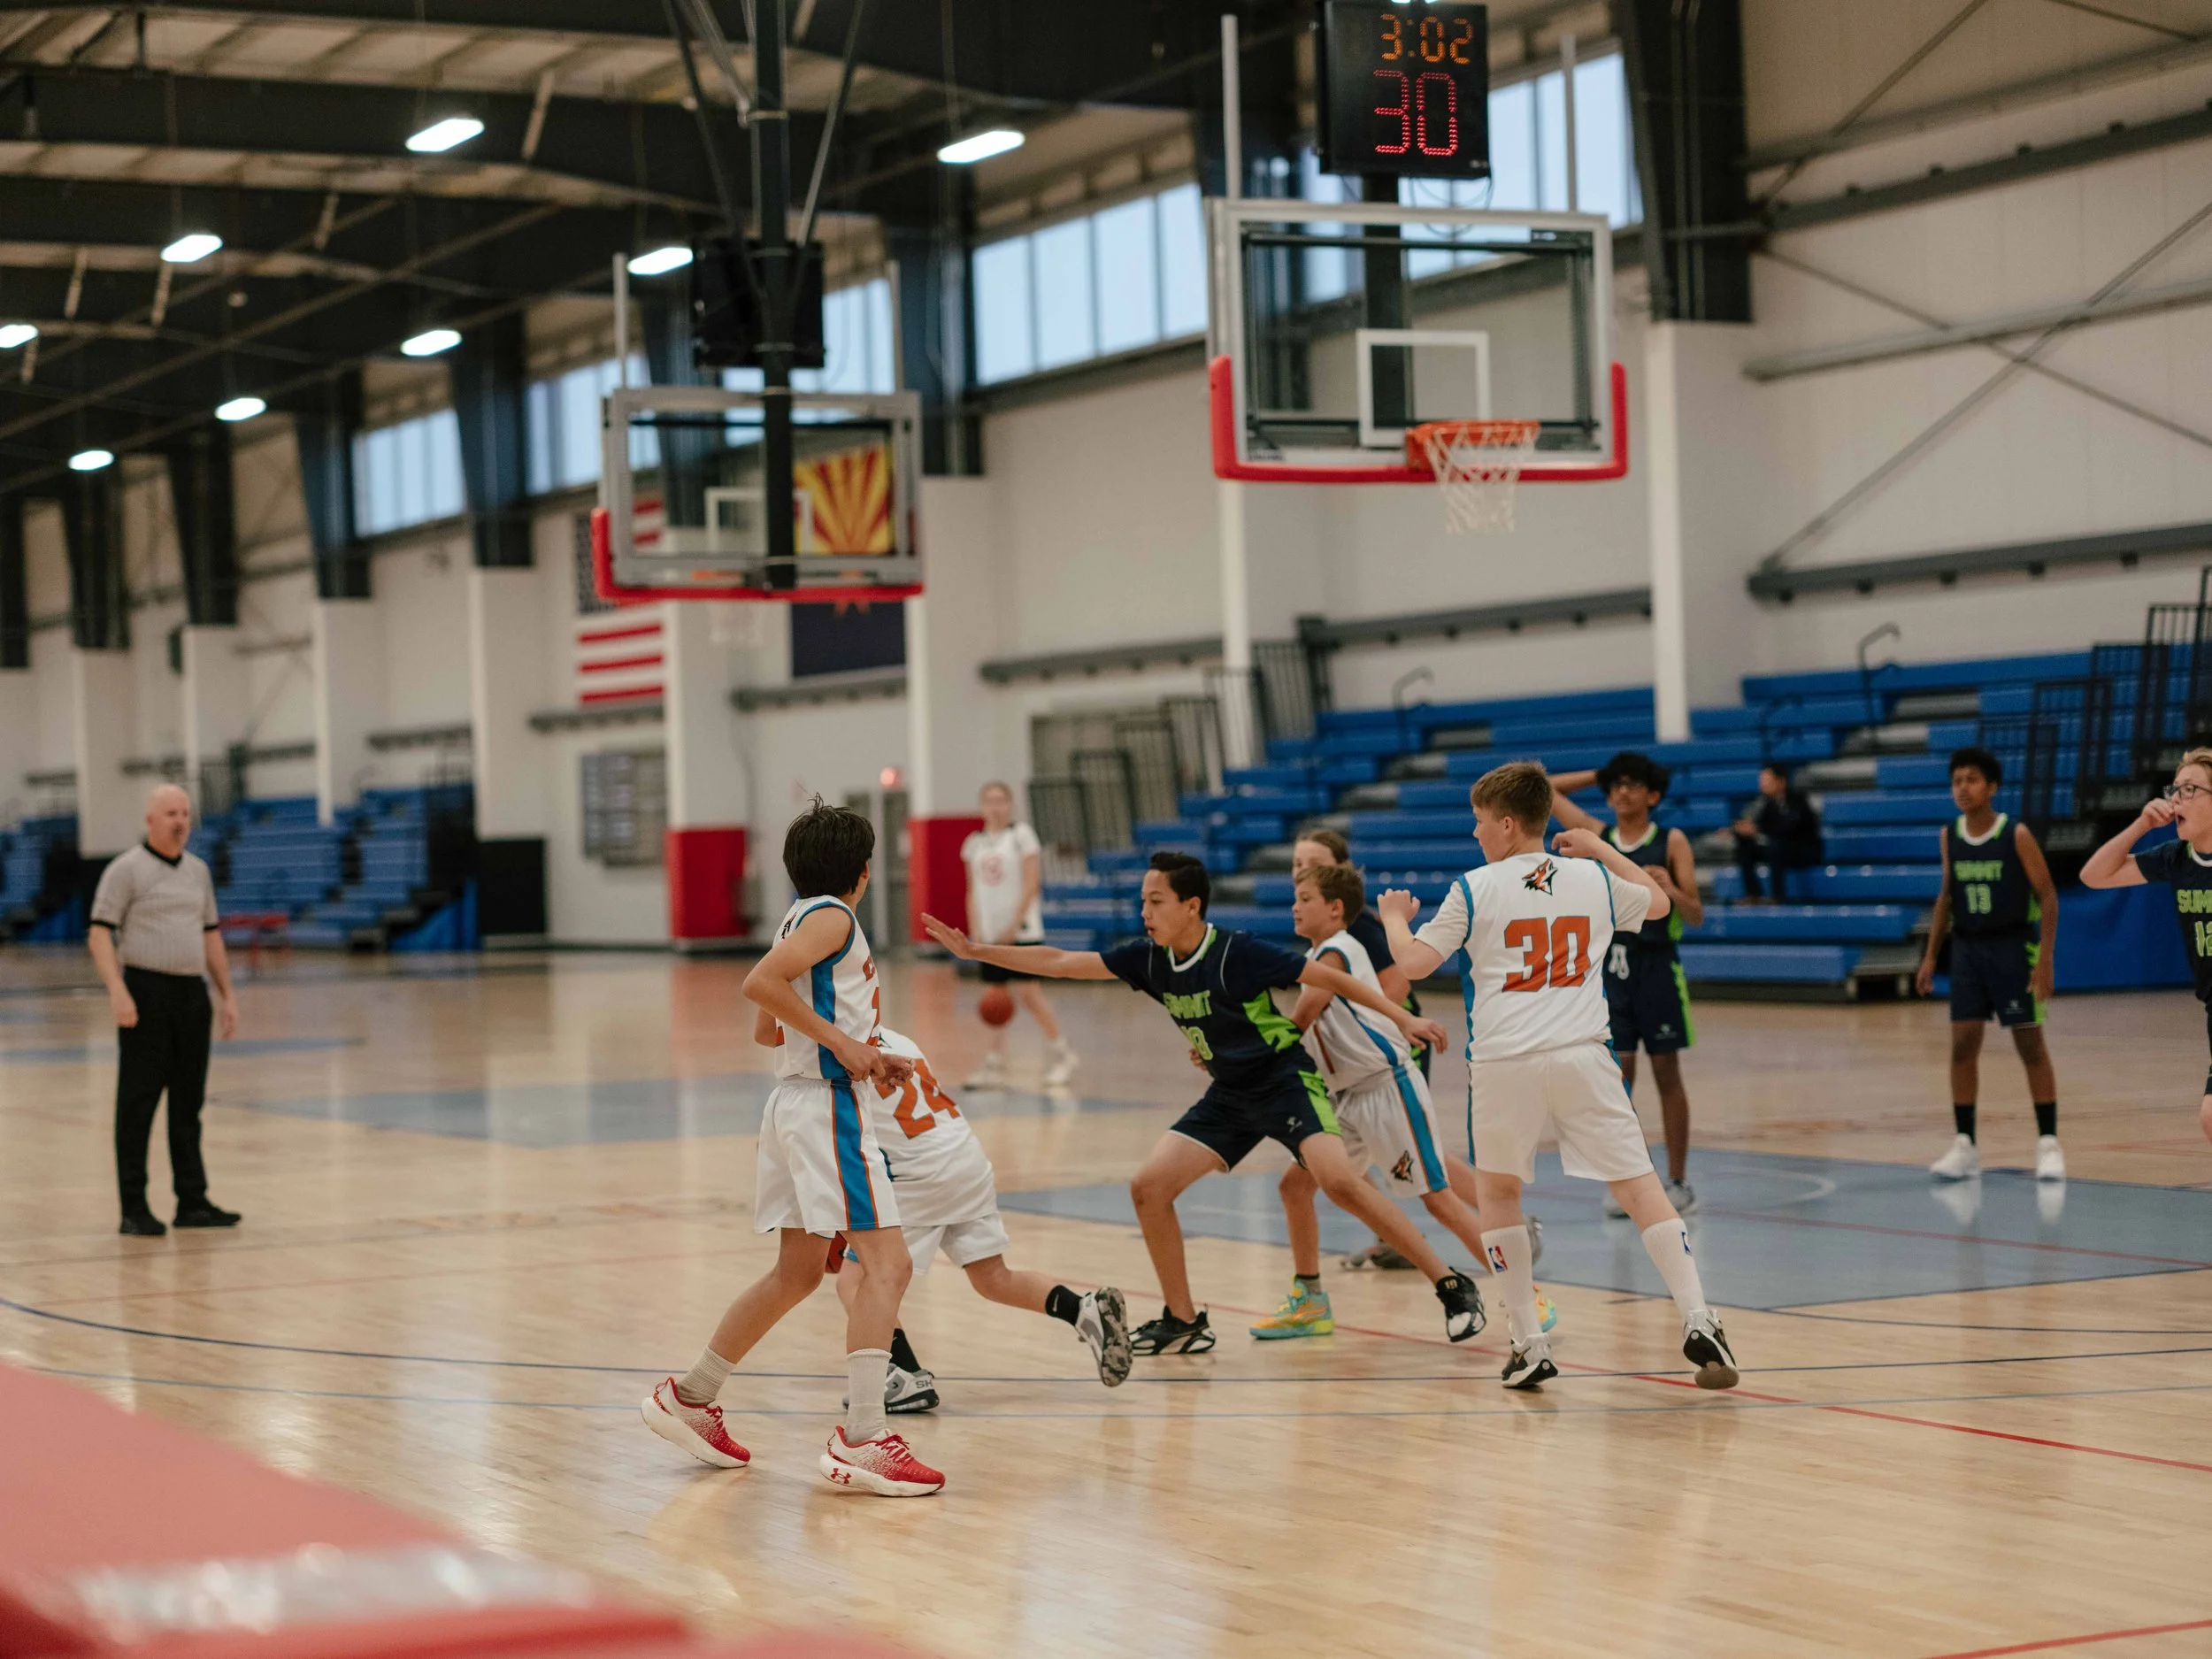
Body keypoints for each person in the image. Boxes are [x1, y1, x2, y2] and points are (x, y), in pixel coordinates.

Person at [922, 852, 1488, 1358]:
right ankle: (1184, 1320)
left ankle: (1448, 1282)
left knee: (1338, 1181)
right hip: (1230, 1095)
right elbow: (1063, 962)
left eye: (1156, 901)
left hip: (1284, 1080)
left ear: (1191, 906)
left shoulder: (1238, 953)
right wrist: (980, 952)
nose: (1145, 911)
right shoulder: (1151, 960)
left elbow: (1330, 980)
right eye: (1143, 901)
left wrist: (1406, 1016)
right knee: (1149, 1188)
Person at [1378, 760, 1740, 1393]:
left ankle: (1527, 1341)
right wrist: (1600, 846)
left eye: (1481, 822)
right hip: (1583, 1054)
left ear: (1509, 823)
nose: (1475, 834)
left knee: (1499, 1197)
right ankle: (1699, 1316)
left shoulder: (1475, 887)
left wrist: (1392, 917)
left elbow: (1411, 963)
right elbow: (1658, 905)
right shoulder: (1592, 877)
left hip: (1505, 1062)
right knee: (1639, 1187)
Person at [640, 800, 943, 1498]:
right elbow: (759, 985)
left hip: (795, 1104)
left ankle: (691, 1395)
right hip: (826, 1108)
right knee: (887, 1265)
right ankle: (864, 1436)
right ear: (865, 873)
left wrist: (859, 1047)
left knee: (797, 1272)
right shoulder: (834, 915)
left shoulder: (798, 916)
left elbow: (767, 1030)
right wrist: (843, 1046)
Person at [1248, 863, 1556, 1340]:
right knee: (1295, 1187)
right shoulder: (1321, 954)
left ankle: (1528, 1293)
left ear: (1334, 908)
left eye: (1304, 897)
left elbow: (1302, 1018)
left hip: (1385, 1085)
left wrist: (1240, 1053)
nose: (1294, 906)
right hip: (1346, 1097)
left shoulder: (1335, 952)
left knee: (1438, 1199)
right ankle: (1310, 1300)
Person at [828, 1025, 1133, 1411]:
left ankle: (902, 1375)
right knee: (992, 1277)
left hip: (923, 1173)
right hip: (965, 1156)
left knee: (855, 1282)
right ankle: (1084, 1309)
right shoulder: (898, 1038)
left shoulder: (840, 1054)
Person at [1548, 753, 1704, 1212]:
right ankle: (1629, 1179)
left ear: (1653, 795)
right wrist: (1599, 773)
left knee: (1665, 1073)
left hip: (1656, 969)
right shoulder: (1599, 837)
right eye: (1615, 785)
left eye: (1632, 785)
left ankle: (1678, 1181)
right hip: (1611, 971)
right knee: (1618, 1080)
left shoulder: (1671, 840)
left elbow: (1696, 914)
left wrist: (1672, 892)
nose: (1621, 792)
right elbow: (1547, 789)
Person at [87, 784, 241, 1237]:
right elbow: (99, 934)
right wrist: (117, 988)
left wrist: (226, 994)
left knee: (188, 1104)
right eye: (170, 813)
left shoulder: (198, 873)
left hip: (191, 995)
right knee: (138, 1103)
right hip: (145, 992)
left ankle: (192, 1202)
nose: (179, 822)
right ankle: (133, 1207)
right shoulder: (125, 870)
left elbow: (211, 935)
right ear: (151, 820)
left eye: (186, 814)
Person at [1916, 748, 2063, 1184]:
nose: (1963, 787)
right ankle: (1965, 1146)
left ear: (1992, 787)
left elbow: (2049, 896)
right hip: (1967, 951)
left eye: (1972, 780)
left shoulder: (2014, 835)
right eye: (1956, 780)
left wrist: (2047, 960)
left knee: (2030, 1046)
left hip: (2013, 949)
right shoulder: (1950, 834)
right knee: (1962, 1046)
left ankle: (2049, 1144)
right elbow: (1946, 897)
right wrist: (1929, 957)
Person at [1292, 826, 1430, 1271]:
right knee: (1336, 1171)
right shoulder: (1321, 936)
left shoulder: (1357, 929)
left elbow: (1395, 984)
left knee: (1428, 1170)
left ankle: (1507, 1226)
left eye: (1312, 865)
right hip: (1354, 1072)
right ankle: (1390, 1236)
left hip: (1390, 1051)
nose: (1301, 873)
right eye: (1296, 865)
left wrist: (1378, 1022)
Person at [2081, 749, 2212, 1149]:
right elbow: (2093, 876)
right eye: (2176, 789)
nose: (2177, 798)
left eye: (2191, 789)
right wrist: (2140, 825)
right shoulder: (2177, 858)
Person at [963, 781, 1078, 1090]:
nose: (995, 806)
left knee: (1028, 993)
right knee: (996, 998)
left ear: (1010, 804)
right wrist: (976, 928)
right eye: (989, 800)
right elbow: (972, 890)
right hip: (989, 934)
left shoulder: (1021, 836)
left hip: (1022, 930)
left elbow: (1032, 882)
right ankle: (994, 1064)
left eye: (1001, 800)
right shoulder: (974, 843)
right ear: (982, 805)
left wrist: (1014, 923)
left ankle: (1062, 1053)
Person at [1731, 763, 1824, 902]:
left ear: (1781, 781)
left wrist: (1759, 829)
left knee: (1777, 846)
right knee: (1745, 847)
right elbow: (1760, 825)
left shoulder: (1798, 800)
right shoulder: (1767, 803)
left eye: (1767, 781)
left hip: (1803, 850)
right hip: (1779, 850)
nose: (1762, 785)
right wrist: (1743, 830)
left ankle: (1778, 896)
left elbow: (1792, 827)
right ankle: (1753, 894)